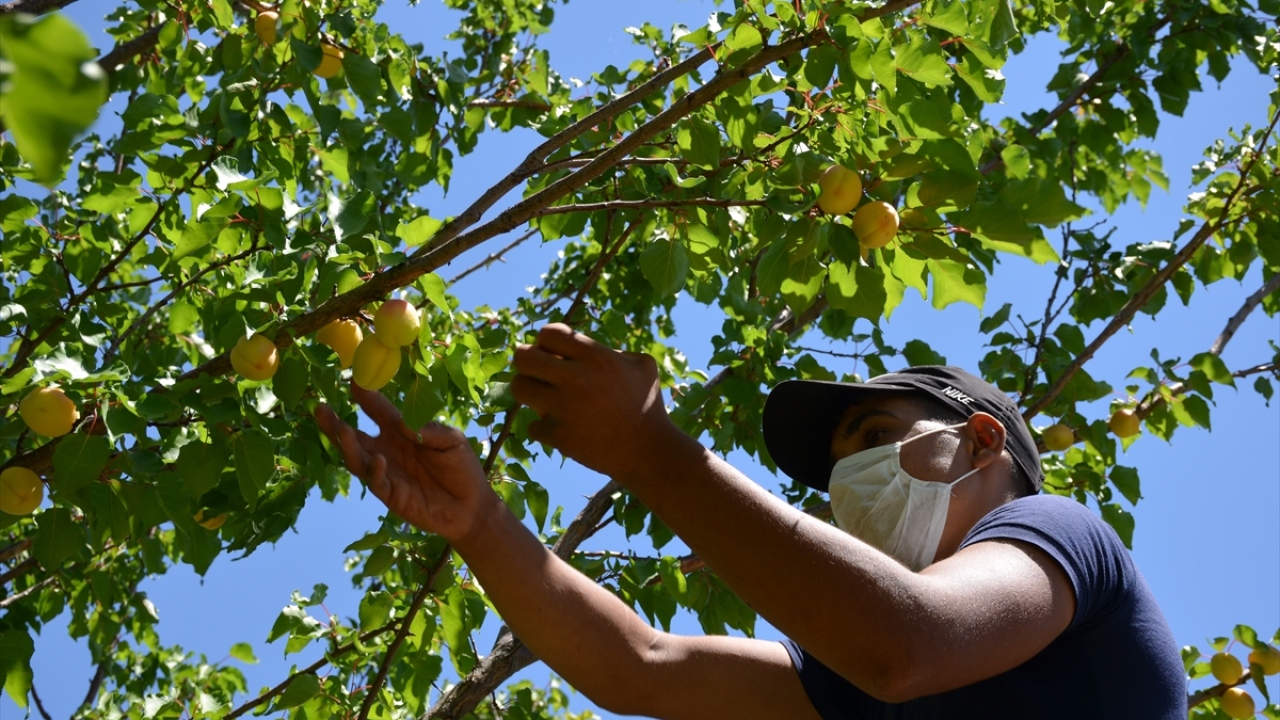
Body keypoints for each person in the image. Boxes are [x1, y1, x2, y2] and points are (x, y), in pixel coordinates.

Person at [314, 323, 1186, 719]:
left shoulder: (1063, 534)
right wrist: (480, 525)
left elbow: (906, 645)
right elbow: (641, 667)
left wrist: (655, 454)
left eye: (877, 437)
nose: (852, 480)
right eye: (841, 465)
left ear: (981, 439)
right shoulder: (850, 674)